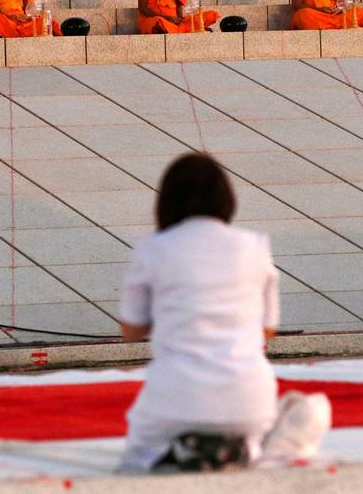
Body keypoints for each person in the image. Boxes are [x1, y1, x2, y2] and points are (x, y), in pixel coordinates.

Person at [119, 152, 280, 471]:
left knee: (136, 465)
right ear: (226, 199)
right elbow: (267, 330)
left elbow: (131, 330)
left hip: (175, 399)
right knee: (261, 451)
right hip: (249, 400)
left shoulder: (153, 249)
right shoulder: (255, 246)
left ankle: (182, 452)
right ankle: (239, 449)